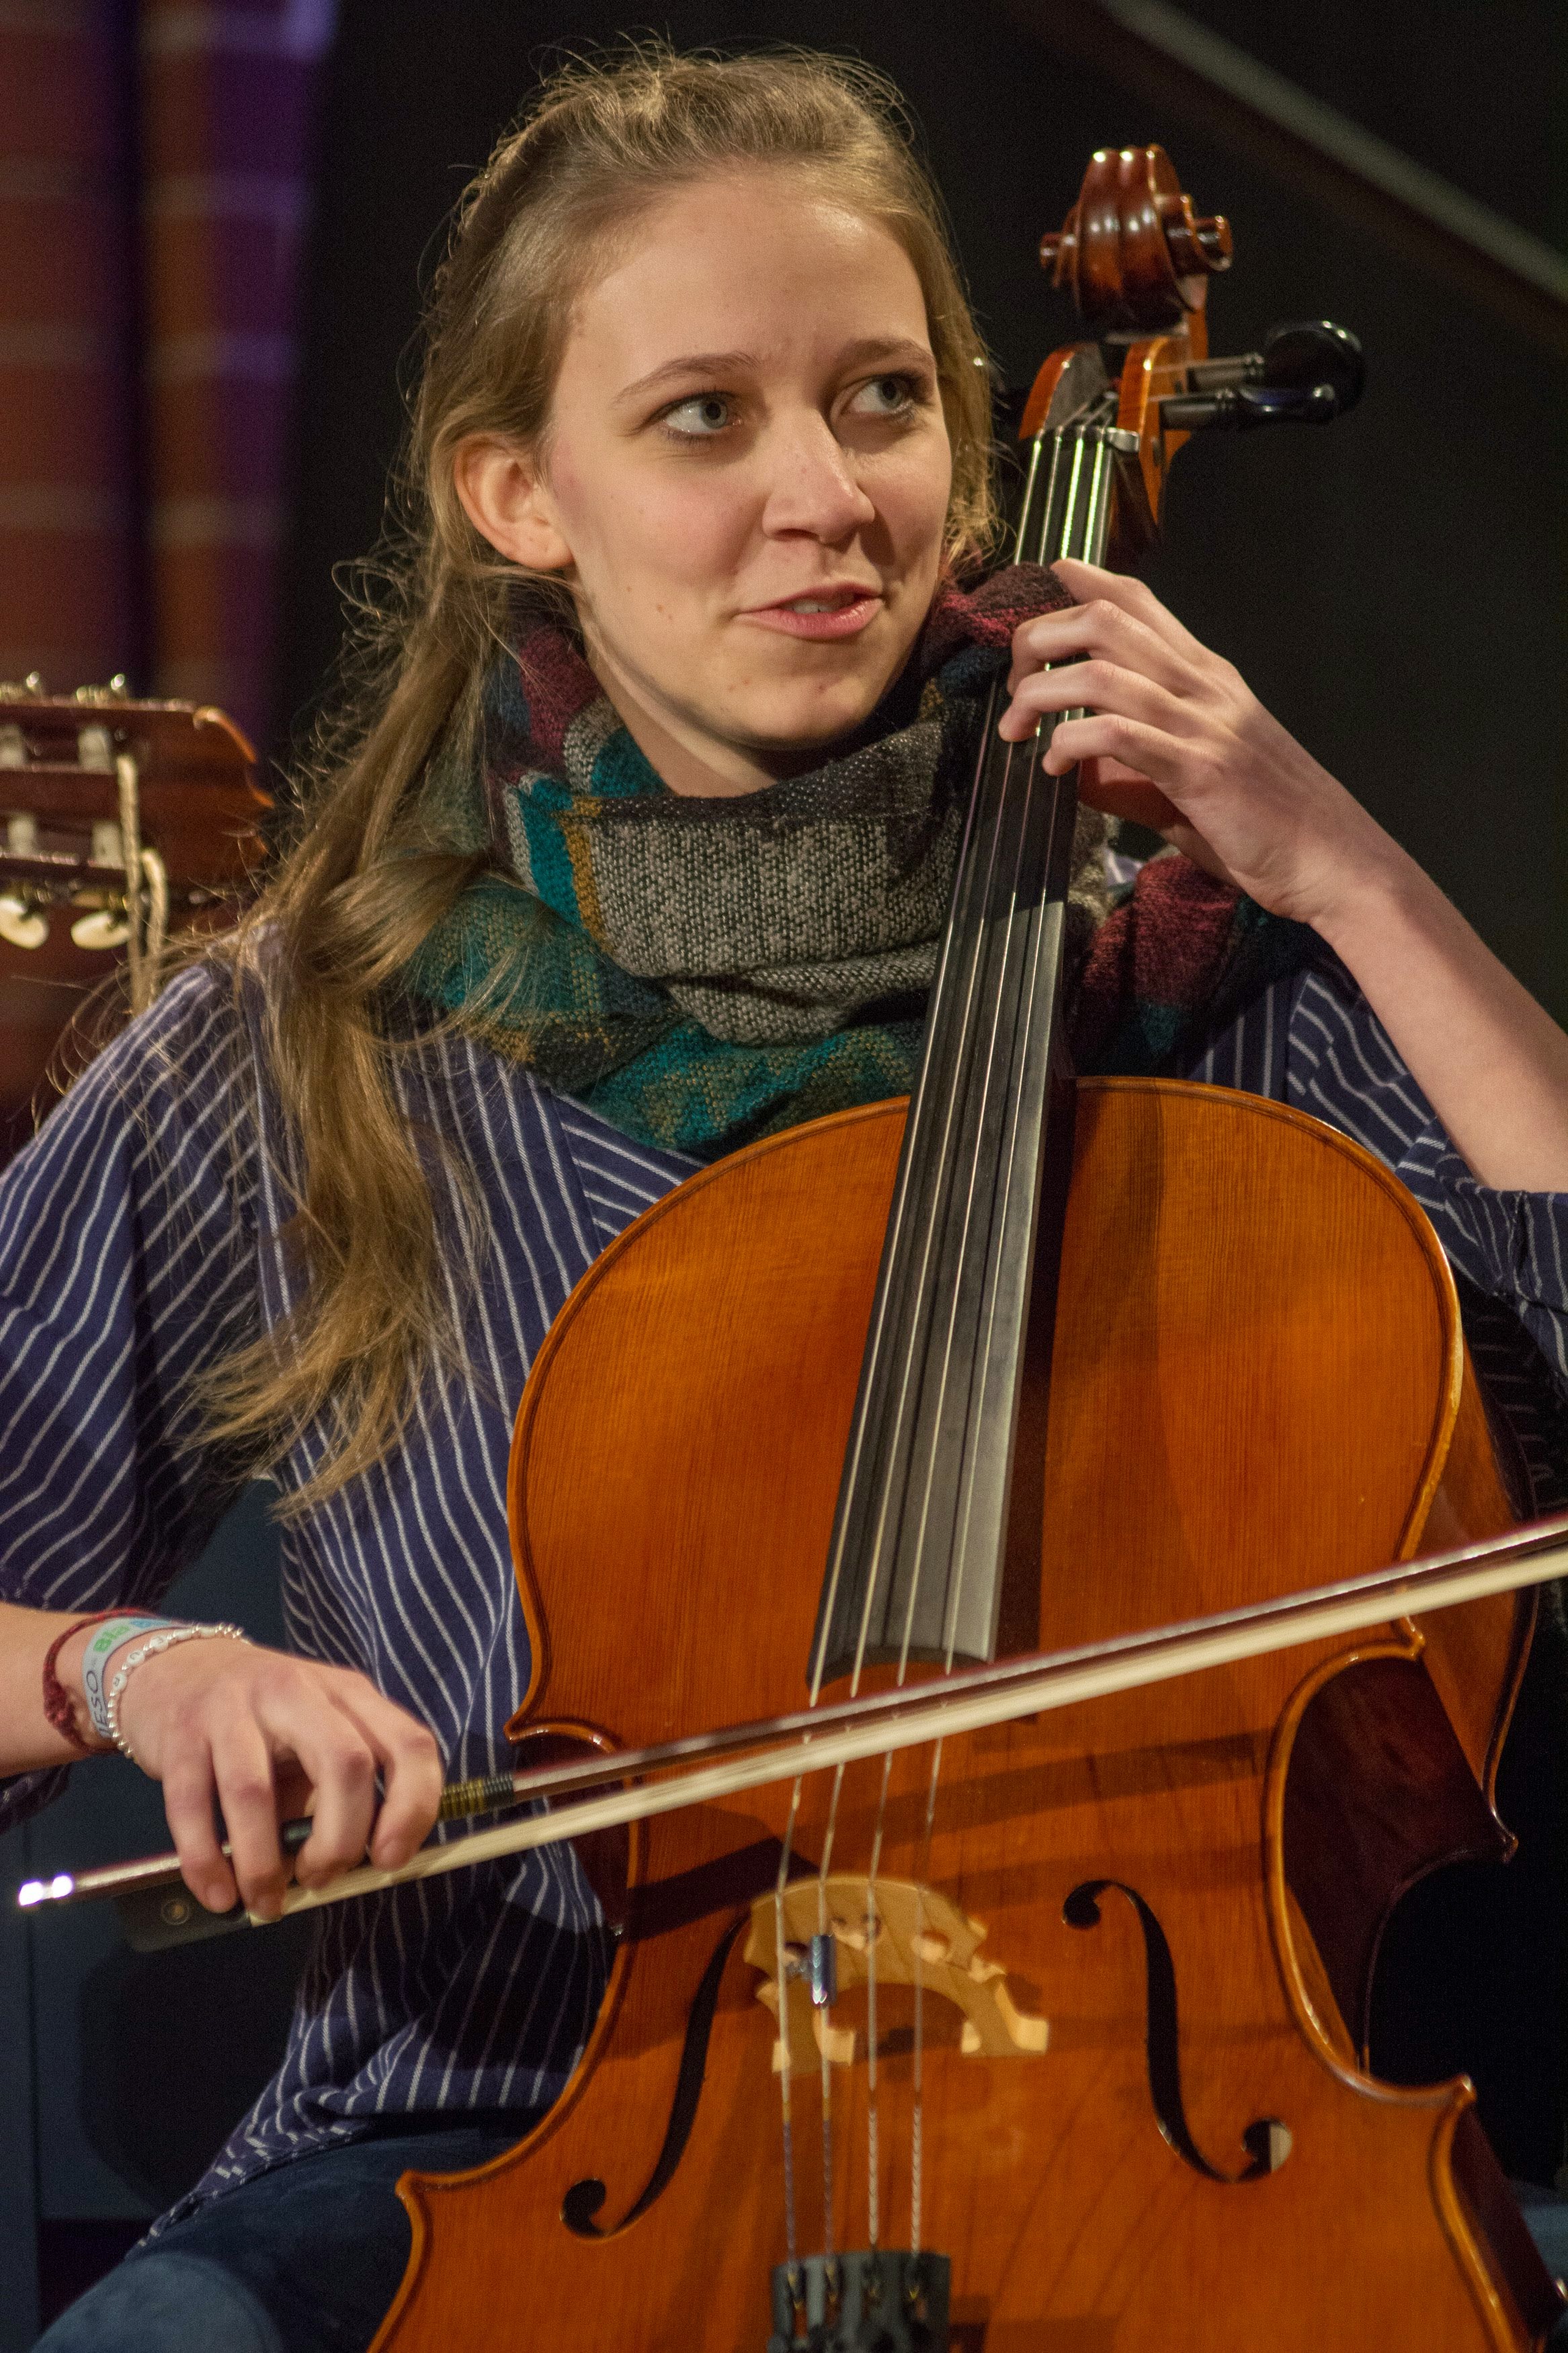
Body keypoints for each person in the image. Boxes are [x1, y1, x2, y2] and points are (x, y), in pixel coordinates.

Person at [2, 43, 1565, 2353]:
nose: (826, 497)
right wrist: (153, 1665)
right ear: (520, 492)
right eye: (705, 418)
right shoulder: (308, 1052)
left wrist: (1348, 871)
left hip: (1167, 2141)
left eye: (881, 399)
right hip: (493, 2145)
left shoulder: (1196, 983)